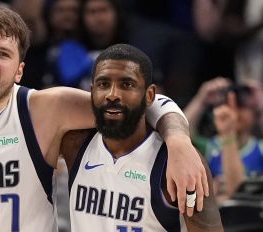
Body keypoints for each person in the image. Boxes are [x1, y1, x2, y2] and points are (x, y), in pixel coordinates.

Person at [0, 4, 207, 232]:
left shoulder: (45, 109)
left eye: (3, 54)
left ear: (19, 70)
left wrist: (178, 142)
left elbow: (138, 102)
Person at [61, 44, 223, 231]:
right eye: (103, 84)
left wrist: (178, 139)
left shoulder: (177, 162)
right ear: (92, 91)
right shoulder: (73, 143)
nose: (113, 94)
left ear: (149, 95)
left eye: (126, 84)